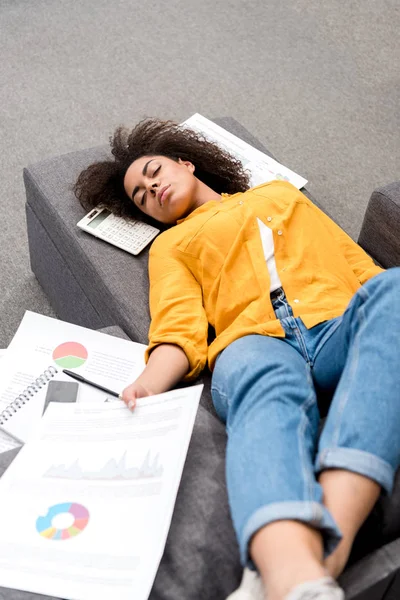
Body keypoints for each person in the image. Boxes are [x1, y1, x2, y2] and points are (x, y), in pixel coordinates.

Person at [74, 118, 400, 600]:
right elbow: (177, 327)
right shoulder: (171, 245)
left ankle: (317, 556)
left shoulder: (280, 195)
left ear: (186, 162)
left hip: (335, 326)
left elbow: (358, 267)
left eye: (153, 172)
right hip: (251, 343)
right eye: (142, 196)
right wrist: (145, 385)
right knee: (262, 384)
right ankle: (294, 573)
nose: (152, 187)